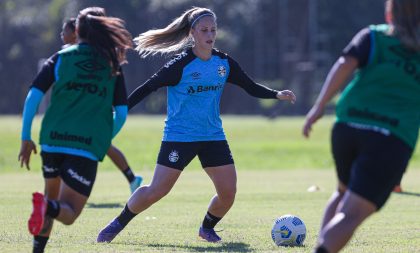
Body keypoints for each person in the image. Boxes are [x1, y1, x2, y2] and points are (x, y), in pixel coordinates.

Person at [96, 6, 296, 243]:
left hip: (213, 135)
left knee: (228, 193)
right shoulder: (180, 65)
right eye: (204, 30)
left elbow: (250, 86)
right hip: (179, 136)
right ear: (193, 33)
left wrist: (276, 94)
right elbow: (147, 88)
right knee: (157, 191)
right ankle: (116, 224)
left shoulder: (223, 63)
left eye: (213, 30)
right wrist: (118, 110)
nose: (210, 35)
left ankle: (206, 228)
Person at [302, 0, 420, 252]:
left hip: (347, 127)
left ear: (390, 12)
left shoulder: (373, 35)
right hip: (390, 137)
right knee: (352, 214)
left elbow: (343, 65)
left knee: (343, 193)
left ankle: (324, 244)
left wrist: (319, 106)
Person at [18, 7, 133, 253]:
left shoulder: (61, 57)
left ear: (77, 30)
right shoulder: (111, 64)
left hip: (51, 140)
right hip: (85, 146)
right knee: (67, 214)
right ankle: (45, 209)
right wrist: (103, 139)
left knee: (50, 199)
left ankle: (37, 249)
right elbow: (121, 113)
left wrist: (25, 137)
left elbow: (32, 98)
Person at [61, 18, 143, 193]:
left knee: (95, 144)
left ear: (75, 33)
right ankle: (132, 179)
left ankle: (68, 187)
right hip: (83, 115)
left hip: (90, 114)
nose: (62, 34)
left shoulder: (86, 56)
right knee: (103, 145)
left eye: (65, 30)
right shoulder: (71, 53)